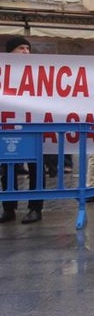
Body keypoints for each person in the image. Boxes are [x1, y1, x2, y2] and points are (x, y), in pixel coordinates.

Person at [1, 36, 44, 224]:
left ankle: (35, 208)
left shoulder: (36, 72)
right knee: (8, 167)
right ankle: (9, 208)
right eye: (21, 48)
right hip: (9, 126)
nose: (26, 52)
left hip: (32, 125)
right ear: (10, 52)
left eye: (28, 48)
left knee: (36, 167)